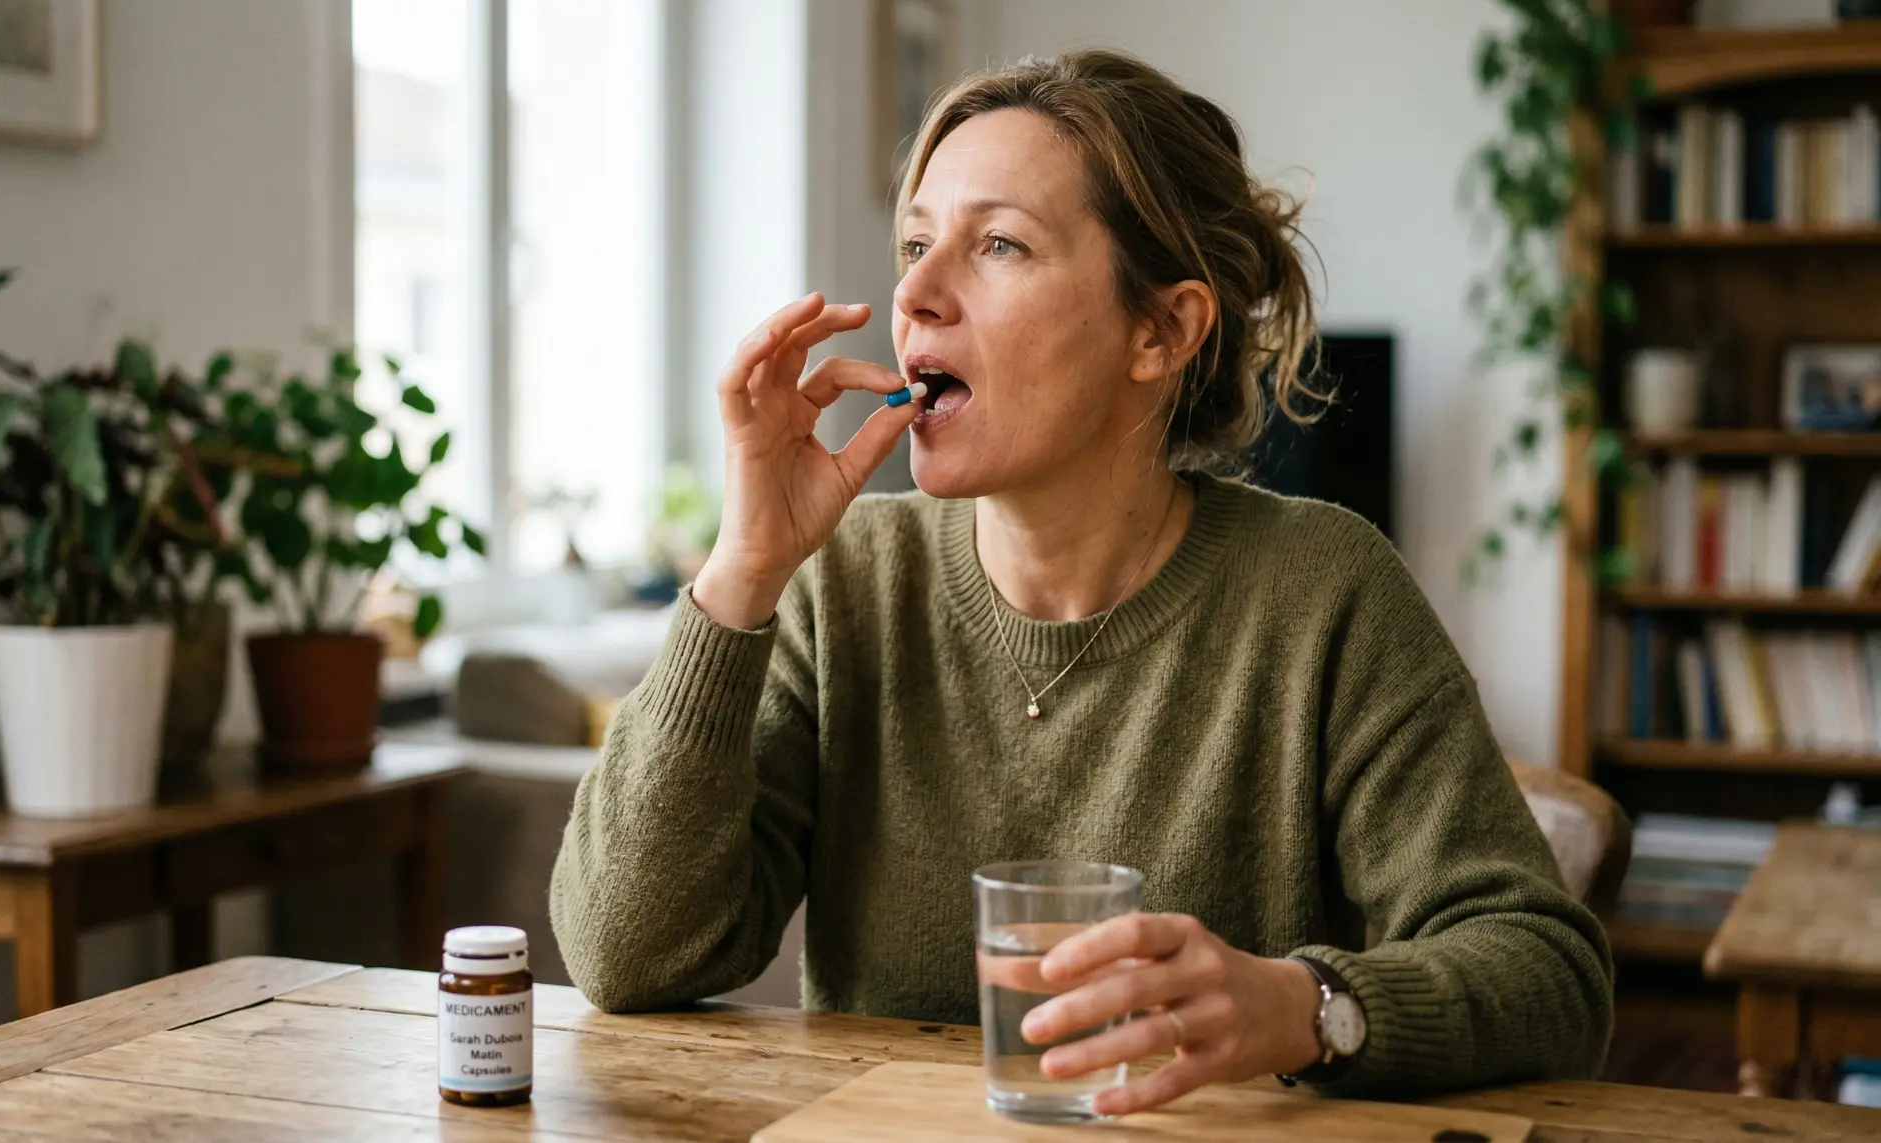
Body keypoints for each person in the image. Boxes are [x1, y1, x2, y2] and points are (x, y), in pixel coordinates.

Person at [551, 49, 1612, 1112]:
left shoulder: (1322, 591)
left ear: (1160, 331)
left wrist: (1300, 1005)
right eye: (916, 243)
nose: (913, 294)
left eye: (998, 245)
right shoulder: (842, 586)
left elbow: (1547, 971)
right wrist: (740, 571)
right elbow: (627, 958)